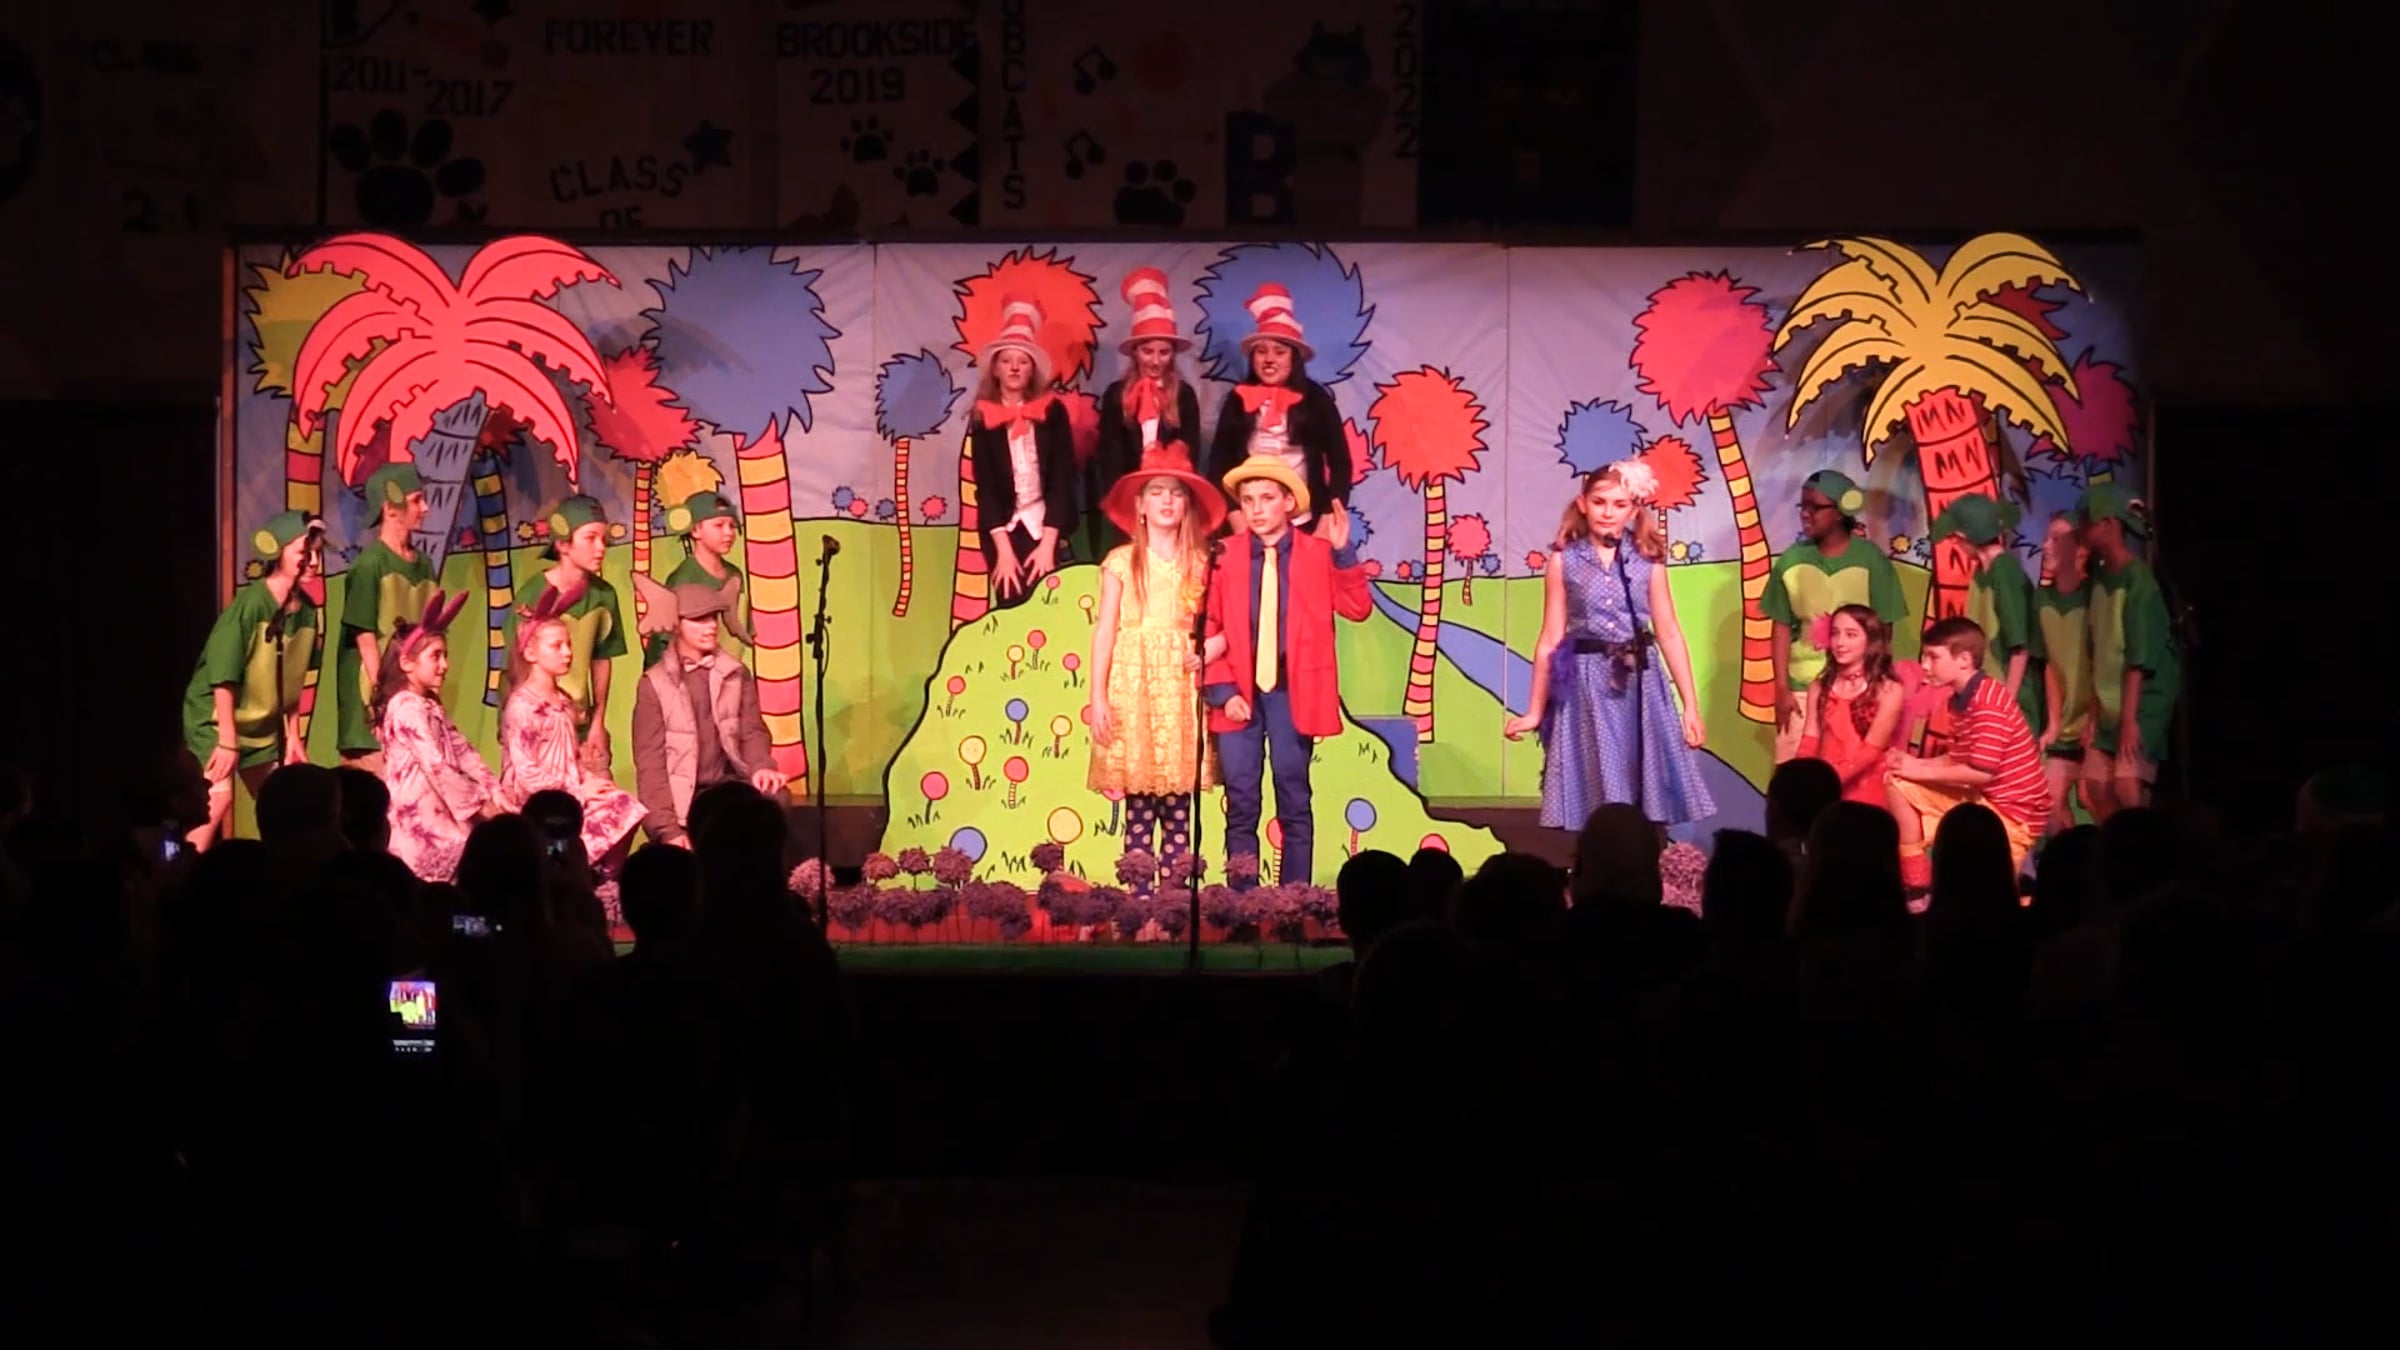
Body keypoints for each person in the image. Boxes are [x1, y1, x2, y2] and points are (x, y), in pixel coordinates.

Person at [1506, 460, 1714, 832]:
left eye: (1620, 504)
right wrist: (1535, 712)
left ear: (1633, 510)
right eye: (1599, 502)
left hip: (1640, 681)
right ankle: (1601, 853)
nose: (1608, 513)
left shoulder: (1647, 560)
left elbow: (1668, 632)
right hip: (1588, 685)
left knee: (1641, 779)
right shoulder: (1564, 561)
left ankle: (1644, 854)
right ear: (1583, 504)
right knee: (1600, 784)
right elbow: (1550, 638)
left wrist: (1691, 706)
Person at [1201, 455, 1369, 888]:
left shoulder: (1316, 554)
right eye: (1248, 500)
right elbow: (1208, 626)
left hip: (1293, 693)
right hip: (1239, 694)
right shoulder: (1225, 555)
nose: (1257, 509)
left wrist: (1342, 552)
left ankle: (1293, 900)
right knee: (1241, 801)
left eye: (1267, 498)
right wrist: (1223, 693)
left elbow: (1357, 607)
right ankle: (1241, 901)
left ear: (1289, 502)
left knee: (1293, 797)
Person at [1086, 442, 1228, 887]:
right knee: (1141, 800)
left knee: (1178, 800)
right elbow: (1105, 630)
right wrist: (1098, 696)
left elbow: (1226, 624)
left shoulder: (1203, 562)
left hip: (1180, 683)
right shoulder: (1121, 562)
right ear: (1140, 506)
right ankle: (1139, 897)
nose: (1167, 500)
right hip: (1134, 682)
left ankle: (1173, 898)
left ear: (1188, 506)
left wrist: (1212, 647)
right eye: (1157, 491)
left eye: (1176, 493)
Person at [181, 510, 324, 850]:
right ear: (279, 553)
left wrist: (293, 734)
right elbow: (223, 676)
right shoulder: (250, 606)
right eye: (304, 552)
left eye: (318, 553)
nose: (314, 561)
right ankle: (180, 869)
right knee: (218, 799)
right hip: (218, 720)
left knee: (283, 806)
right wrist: (227, 740)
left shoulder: (307, 611)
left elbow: (293, 680)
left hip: (260, 727)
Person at [1887, 616, 2051, 893]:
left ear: (1964, 660)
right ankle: (1916, 884)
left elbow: (1981, 772)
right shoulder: (1960, 699)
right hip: (1982, 800)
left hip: (2013, 815)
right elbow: (1958, 757)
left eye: (1933, 657)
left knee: (1990, 895)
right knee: (1897, 781)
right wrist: (1912, 763)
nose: (1925, 665)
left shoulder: (1988, 702)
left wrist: (1921, 770)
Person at [628, 573, 788, 850]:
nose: (711, 626)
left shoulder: (735, 673)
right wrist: (667, 828)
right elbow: (650, 764)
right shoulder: (654, 685)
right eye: (699, 619)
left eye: (713, 617)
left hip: (729, 786)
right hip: (686, 797)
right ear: (677, 624)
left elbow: (752, 732)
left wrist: (761, 766)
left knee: (776, 799)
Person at [499, 590, 646, 885]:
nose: (567, 652)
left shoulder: (564, 701)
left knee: (624, 805)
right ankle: (570, 876)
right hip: (540, 801)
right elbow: (527, 775)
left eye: (568, 644)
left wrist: (591, 781)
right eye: (557, 646)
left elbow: (570, 761)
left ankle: (600, 880)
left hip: (569, 790)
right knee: (601, 817)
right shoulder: (522, 706)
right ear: (531, 653)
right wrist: (578, 791)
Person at [1763, 469, 1906, 760]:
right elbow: (1781, 627)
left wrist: (1872, 686)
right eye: (1802, 506)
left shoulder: (1870, 560)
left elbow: (1883, 629)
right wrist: (1781, 688)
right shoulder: (1791, 560)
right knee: (1797, 775)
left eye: (1815, 507)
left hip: (1857, 690)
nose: (1805, 514)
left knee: (1848, 769)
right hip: (1802, 687)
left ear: (1840, 512)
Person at [373, 590, 498, 882]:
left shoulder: (428, 704)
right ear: (407, 663)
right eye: (435, 656)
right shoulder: (405, 706)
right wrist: (479, 805)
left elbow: (464, 751)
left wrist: (494, 790)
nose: (444, 665)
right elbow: (436, 765)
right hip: (424, 821)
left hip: (443, 810)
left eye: (445, 656)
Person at [1206, 283, 1349, 533]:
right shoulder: (1237, 399)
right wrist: (1235, 515)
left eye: (1279, 352)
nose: (1269, 360)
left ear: (1294, 358)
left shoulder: (1316, 400)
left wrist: (1328, 516)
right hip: (1249, 520)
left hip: (1304, 520)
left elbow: (1341, 463)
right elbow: (1219, 464)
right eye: (1261, 352)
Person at [966, 297, 1079, 611]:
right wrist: (1003, 552)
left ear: (1032, 370)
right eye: (1007, 361)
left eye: (1023, 361)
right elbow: (987, 489)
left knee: (1048, 605)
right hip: (1004, 529)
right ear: (996, 369)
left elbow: (1061, 480)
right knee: (1012, 603)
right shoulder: (984, 417)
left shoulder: (1052, 412)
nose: (1014, 367)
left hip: (1045, 523)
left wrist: (1048, 544)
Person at [2077, 484, 2180, 820]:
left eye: (2088, 521)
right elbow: (2099, 650)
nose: (2082, 528)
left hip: (2141, 700)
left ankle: (2138, 846)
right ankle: (2115, 846)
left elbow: (2140, 657)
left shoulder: (2138, 581)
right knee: (2095, 786)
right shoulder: (2100, 579)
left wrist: (2130, 721)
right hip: (2111, 700)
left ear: (2109, 523)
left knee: (2127, 786)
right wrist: (2095, 716)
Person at [506, 494, 627, 775]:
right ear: (563, 544)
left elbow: (601, 660)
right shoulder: (533, 594)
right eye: (590, 538)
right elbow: (516, 666)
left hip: (581, 723)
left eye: (603, 539)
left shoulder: (603, 595)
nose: (601, 548)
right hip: (538, 722)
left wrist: (597, 722)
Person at [1089, 268, 1206, 558]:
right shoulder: (1117, 395)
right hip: (1127, 502)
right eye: (1147, 351)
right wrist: (1124, 504)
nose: (1155, 360)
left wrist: (1169, 500)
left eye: (1163, 352)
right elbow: (1110, 455)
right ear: (1135, 352)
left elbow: (1189, 452)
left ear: (1173, 354)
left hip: (1170, 503)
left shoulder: (1184, 395)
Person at [336, 463, 440, 771]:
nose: (425, 508)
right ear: (390, 508)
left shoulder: (424, 565)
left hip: (412, 706)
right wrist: (384, 704)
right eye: (416, 500)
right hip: (375, 714)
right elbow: (366, 639)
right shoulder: (370, 565)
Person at [1931, 492, 2040, 732]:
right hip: (1987, 695)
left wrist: (2006, 705)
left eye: (1955, 537)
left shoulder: (2005, 573)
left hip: (2010, 700)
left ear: (1964, 537)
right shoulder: (1981, 572)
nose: (1954, 544)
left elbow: (2020, 648)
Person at [1794, 604, 1907, 805]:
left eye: (1851, 635)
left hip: (1866, 788)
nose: (1840, 642)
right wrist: (1799, 778)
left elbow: (1870, 751)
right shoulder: (1819, 687)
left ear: (1870, 640)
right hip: (1826, 784)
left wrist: (1829, 783)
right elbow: (1810, 739)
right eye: (1835, 634)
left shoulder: (1889, 690)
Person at [2031, 511, 2095, 833]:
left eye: (2057, 539)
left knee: (2091, 796)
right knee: (2051, 804)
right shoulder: (2042, 599)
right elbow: (2050, 665)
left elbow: (2106, 666)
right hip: (2067, 726)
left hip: (2098, 724)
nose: (2045, 546)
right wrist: (2054, 723)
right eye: (2047, 538)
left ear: (2081, 550)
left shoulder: (2095, 597)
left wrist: (2095, 720)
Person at [642, 489, 746, 668]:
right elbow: (662, 643)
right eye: (719, 525)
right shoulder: (683, 578)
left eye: (731, 525)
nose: (728, 532)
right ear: (696, 530)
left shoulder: (734, 574)